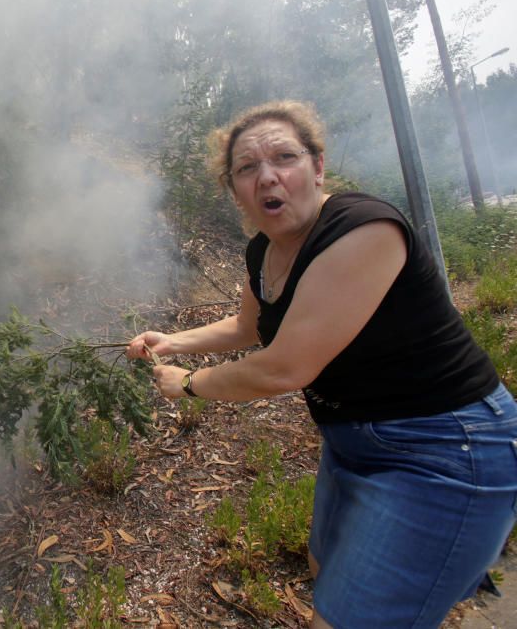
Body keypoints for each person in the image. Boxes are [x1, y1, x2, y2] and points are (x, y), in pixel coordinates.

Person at [127, 100, 517, 628]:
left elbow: (283, 367)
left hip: (445, 446)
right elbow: (247, 328)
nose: (268, 175)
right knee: (324, 568)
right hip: (354, 441)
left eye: (284, 156)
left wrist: (188, 384)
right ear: (234, 188)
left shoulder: (364, 231)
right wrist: (173, 342)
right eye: (247, 167)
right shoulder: (264, 249)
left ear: (316, 166)